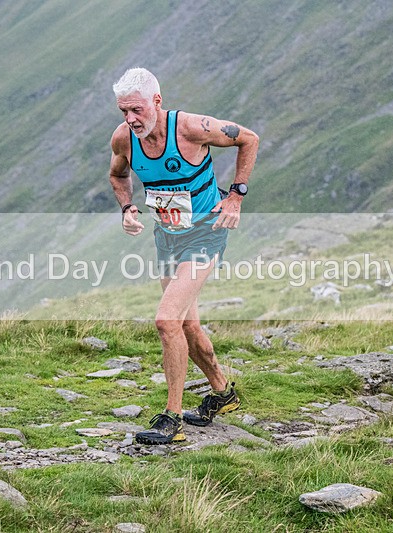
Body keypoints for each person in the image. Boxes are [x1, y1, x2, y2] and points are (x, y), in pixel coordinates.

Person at [108, 67, 259, 445]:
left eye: (137, 110)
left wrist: (236, 197)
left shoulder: (191, 128)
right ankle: (223, 393)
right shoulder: (124, 139)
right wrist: (127, 208)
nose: (130, 119)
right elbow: (117, 175)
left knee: (166, 320)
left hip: (205, 234)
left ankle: (172, 418)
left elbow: (249, 139)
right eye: (124, 111)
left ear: (157, 102)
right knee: (187, 325)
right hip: (167, 238)